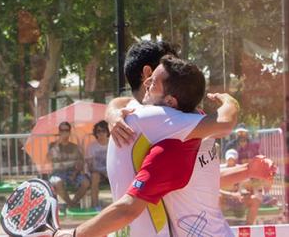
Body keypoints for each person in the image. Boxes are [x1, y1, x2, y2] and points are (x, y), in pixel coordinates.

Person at [53, 55, 274, 237]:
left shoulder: (168, 146)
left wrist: (71, 235)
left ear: (170, 102)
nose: (146, 82)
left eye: (154, 81)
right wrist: (247, 171)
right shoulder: (196, 125)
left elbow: (128, 209)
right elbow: (198, 182)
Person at [47, 121, 90, 208]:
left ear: (69, 132)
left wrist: (75, 172)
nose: (64, 132)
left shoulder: (74, 147)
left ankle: (72, 203)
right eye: (62, 130)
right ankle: (71, 204)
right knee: (57, 182)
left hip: (72, 173)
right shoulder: (52, 145)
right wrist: (58, 142)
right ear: (59, 132)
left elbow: (81, 162)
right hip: (57, 173)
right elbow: (48, 158)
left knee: (85, 182)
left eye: (66, 130)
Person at [220, 149, 262, 224]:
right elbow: (214, 189)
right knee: (217, 197)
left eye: (232, 159)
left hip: (239, 199)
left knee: (255, 200)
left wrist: (245, 193)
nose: (230, 161)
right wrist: (231, 194)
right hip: (225, 198)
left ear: (236, 159)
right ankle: (217, 226)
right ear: (226, 159)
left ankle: (248, 227)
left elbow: (248, 186)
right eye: (229, 159)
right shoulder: (220, 170)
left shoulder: (241, 169)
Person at [85, 120, 110, 210]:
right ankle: (94, 205)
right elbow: (90, 166)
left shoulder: (113, 144)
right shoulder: (92, 146)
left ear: (107, 131)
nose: (101, 133)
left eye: (103, 130)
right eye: (98, 131)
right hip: (97, 172)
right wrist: (102, 171)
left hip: (110, 171)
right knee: (95, 176)